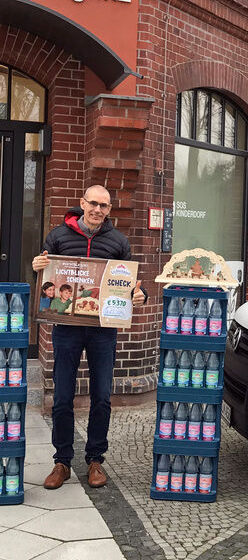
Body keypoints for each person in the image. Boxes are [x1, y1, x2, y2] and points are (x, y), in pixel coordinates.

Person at [32, 185, 147, 490]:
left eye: (104, 206)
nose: (98, 209)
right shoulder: (58, 237)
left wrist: (140, 295)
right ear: (82, 203)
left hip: (103, 330)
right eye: (93, 203)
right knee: (62, 396)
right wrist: (36, 268)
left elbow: (131, 284)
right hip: (66, 329)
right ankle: (62, 461)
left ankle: (95, 459)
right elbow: (45, 282)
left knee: (101, 396)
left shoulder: (118, 242)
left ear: (109, 210)